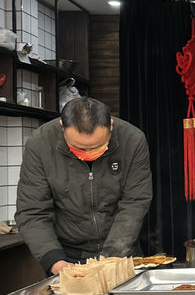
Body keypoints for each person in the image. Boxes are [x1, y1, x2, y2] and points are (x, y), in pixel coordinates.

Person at [16, 97, 152, 275]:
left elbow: (135, 202)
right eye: (78, 148)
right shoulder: (40, 144)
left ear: (110, 126)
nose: (89, 155)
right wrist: (54, 260)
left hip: (121, 252)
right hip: (68, 256)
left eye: (97, 147)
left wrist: (112, 255)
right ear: (62, 128)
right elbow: (32, 211)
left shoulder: (132, 140)